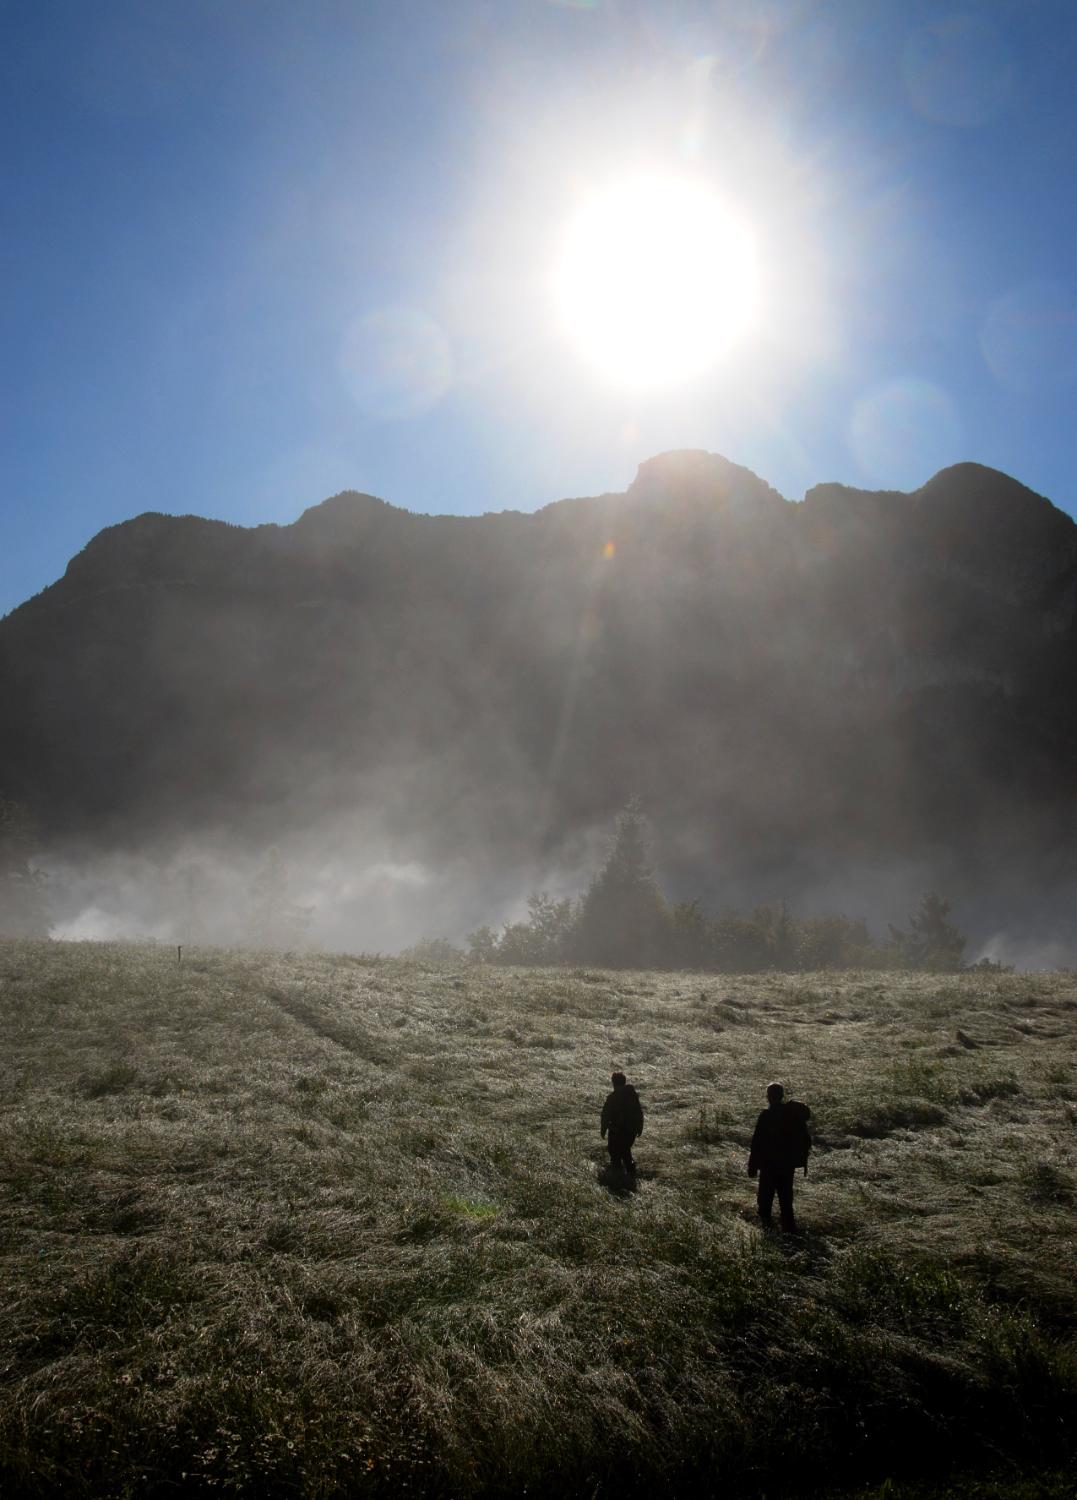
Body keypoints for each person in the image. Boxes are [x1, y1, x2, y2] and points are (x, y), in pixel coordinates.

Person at [747, 1081, 811, 1232]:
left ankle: (767, 1233)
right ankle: (790, 1233)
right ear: (782, 1096)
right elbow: (805, 1139)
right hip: (787, 1165)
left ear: (769, 1097)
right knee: (786, 1201)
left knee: (765, 1202)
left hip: (769, 1166)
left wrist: (753, 1166)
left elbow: (757, 1143)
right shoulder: (792, 1115)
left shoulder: (766, 1115)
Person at [601, 1071, 644, 1176]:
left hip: (616, 1131)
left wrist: (603, 1129)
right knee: (625, 1151)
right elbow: (639, 1113)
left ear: (613, 1083)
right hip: (630, 1131)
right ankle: (630, 1175)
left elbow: (605, 1115)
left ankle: (619, 1177)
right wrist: (639, 1127)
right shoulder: (632, 1096)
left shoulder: (612, 1098)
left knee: (616, 1153)